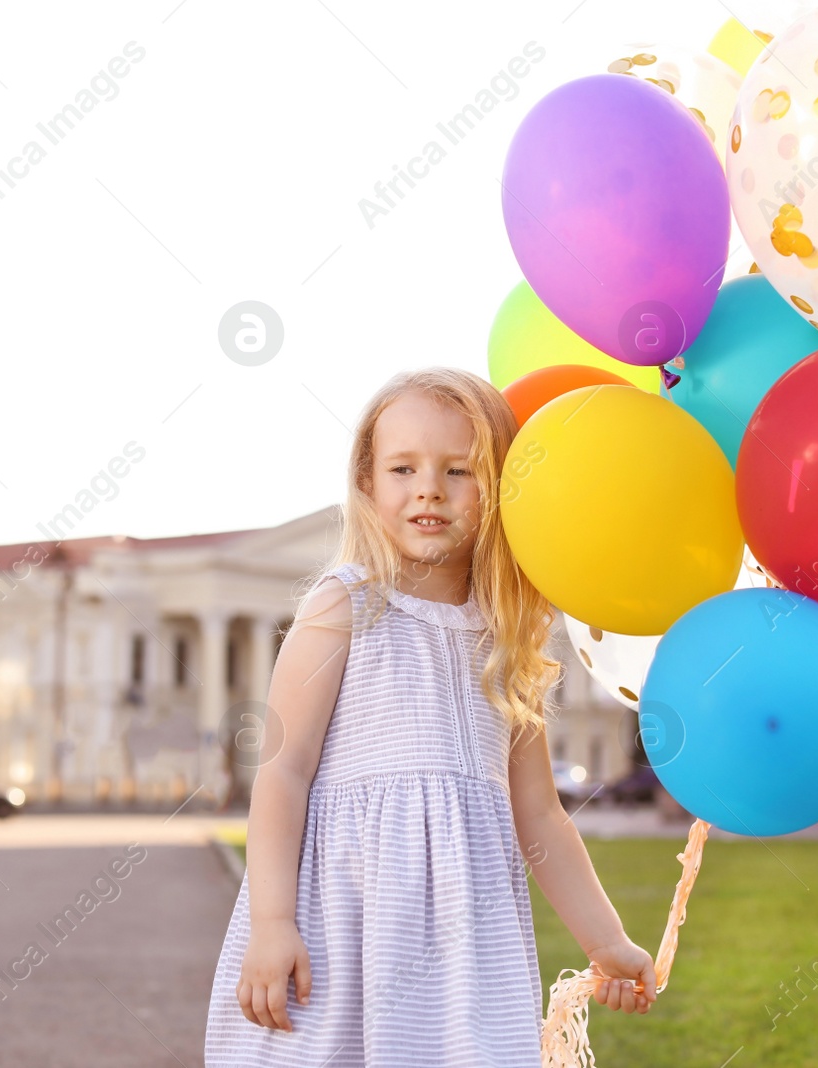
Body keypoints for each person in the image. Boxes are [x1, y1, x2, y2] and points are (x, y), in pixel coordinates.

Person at [203, 368, 657, 1066]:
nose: (429, 489)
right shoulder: (344, 607)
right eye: (403, 467)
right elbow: (284, 771)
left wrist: (607, 941)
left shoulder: (508, 634)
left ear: (501, 485)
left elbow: (539, 816)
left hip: (467, 942)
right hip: (347, 924)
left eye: (459, 470)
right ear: (367, 483)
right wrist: (272, 922)